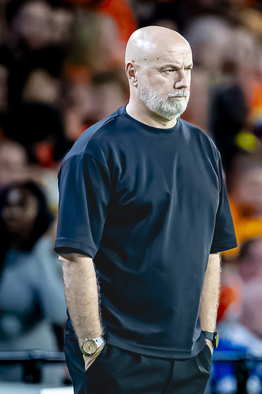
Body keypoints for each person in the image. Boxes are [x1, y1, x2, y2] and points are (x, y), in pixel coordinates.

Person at [54, 26, 237, 394]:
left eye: (188, 69)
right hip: (119, 357)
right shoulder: (96, 150)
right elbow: (75, 256)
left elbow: (212, 250)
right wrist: (93, 346)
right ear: (133, 73)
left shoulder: (205, 149)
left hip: (189, 357)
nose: (183, 81)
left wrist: (208, 335)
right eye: (169, 70)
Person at [0, 181, 66, 382]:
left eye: (21, 205)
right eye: (7, 205)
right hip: (3, 366)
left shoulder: (48, 259)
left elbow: (58, 314)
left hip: (36, 369)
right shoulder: (4, 257)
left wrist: (41, 252)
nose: (12, 212)